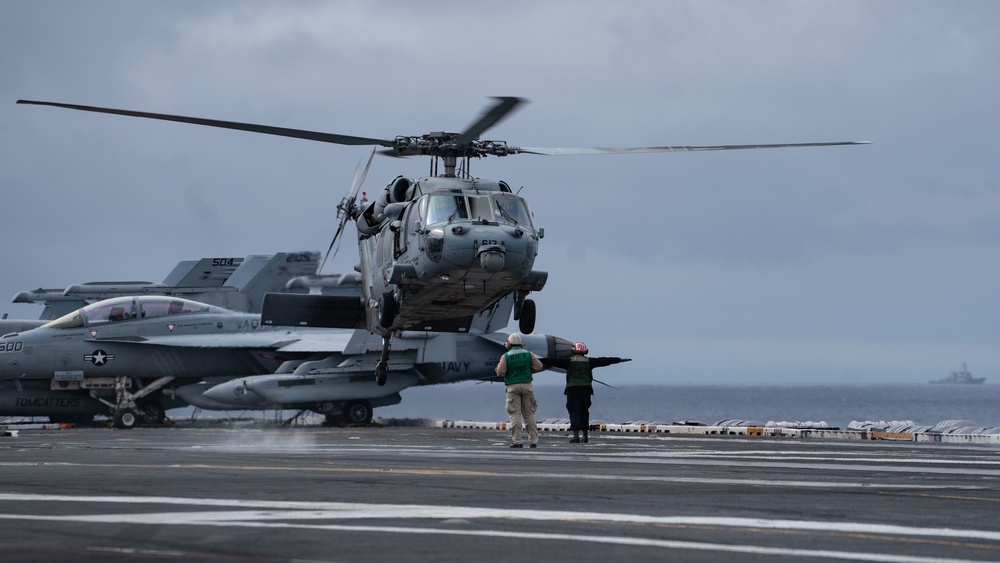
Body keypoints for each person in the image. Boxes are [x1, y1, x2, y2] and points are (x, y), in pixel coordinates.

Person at [543, 342, 631, 444]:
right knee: (584, 412)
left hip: (572, 390)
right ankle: (585, 436)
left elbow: (552, 361)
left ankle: (576, 436)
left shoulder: (568, 361)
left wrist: (537, 359)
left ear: (573, 351)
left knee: (574, 412)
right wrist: (619, 360)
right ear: (585, 351)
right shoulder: (590, 361)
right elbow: (605, 360)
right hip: (586, 390)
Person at [495, 332, 543, 448]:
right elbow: (539, 366)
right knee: (529, 414)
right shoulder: (528, 354)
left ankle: (518, 441)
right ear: (521, 343)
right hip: (527, 386)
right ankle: (533, 441)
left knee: (515, 414)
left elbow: (500, 372)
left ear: (509, 344)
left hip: (512, 387)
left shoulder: (506, 356)